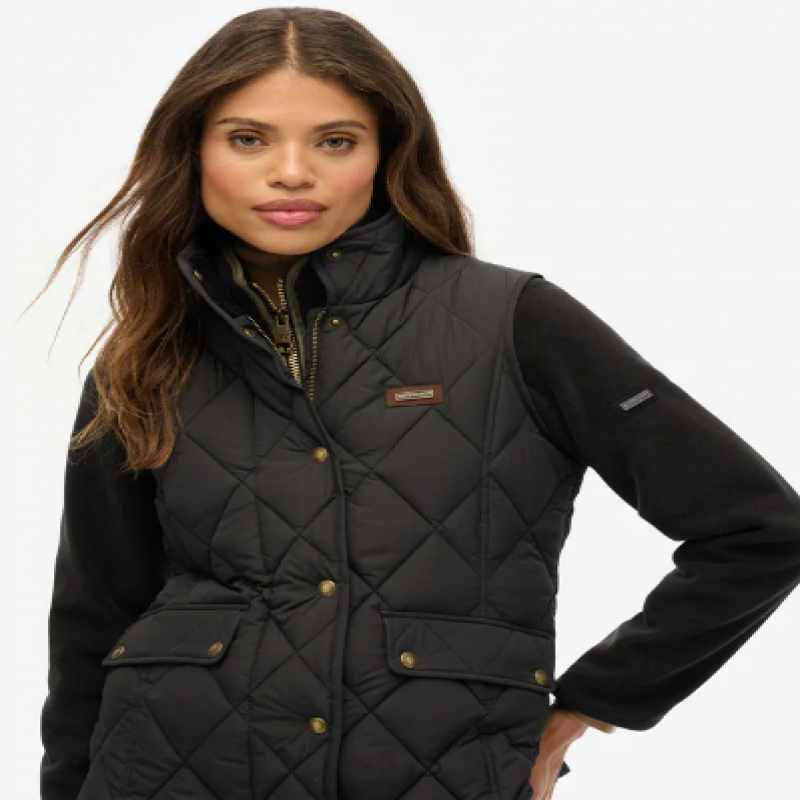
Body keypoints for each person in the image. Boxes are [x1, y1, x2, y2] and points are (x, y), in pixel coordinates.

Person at [37, 7, 800, 800]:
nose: (291, 172)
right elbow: (94, 614)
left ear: (387, 152)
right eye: (249, 138)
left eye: (336, 141)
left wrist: (595, 702)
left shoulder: (516, 323)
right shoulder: (147, 353)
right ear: (193, 151)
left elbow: (759, 532)